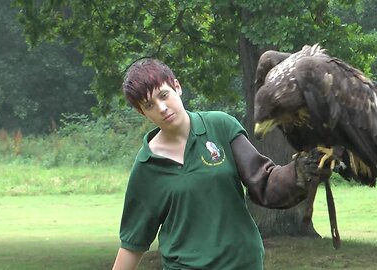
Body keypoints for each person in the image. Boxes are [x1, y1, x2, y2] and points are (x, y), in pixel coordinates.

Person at [112, 58, 330, 270]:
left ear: (177, 86)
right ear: (142, 112)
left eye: (164, 95)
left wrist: (298, 173)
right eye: (150, 105)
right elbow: (133, 242)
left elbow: (263, 182)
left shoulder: (220, 126)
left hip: (244, 263)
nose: (162, 108)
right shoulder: (147, 165)